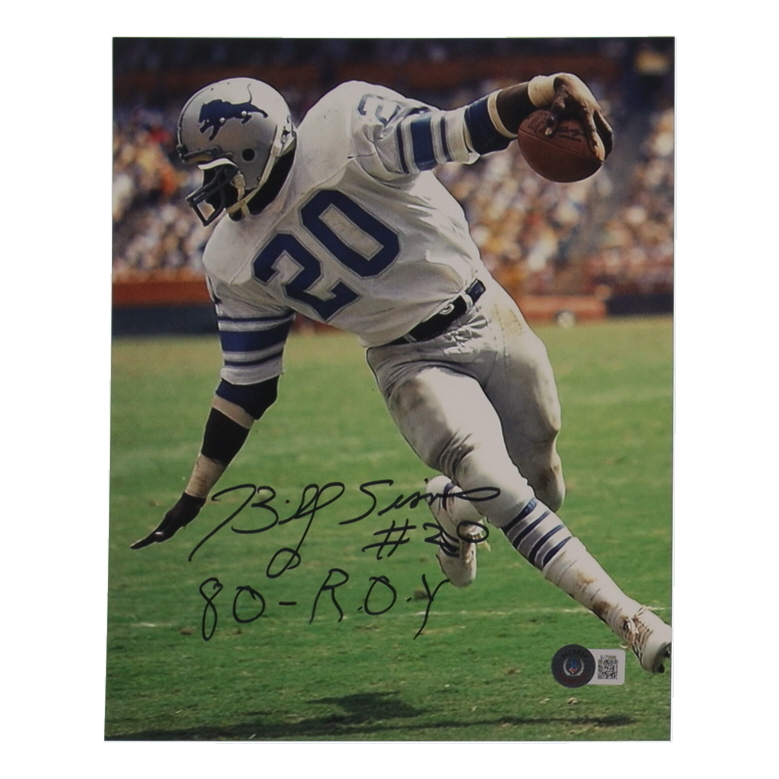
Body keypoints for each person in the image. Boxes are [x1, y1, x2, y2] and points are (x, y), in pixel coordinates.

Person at [131, 73, 671, 674]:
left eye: (214, 167)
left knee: (545, 488)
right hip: (408, 360)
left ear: (251, 151)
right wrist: (195, 491)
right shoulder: (230, 259)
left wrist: (545, 89)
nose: (205, 185)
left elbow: (461, 130)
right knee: (501, 486)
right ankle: (629, 618)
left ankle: (454, 507)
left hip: (488, 311)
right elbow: (247, 383)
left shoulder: (345, 126)